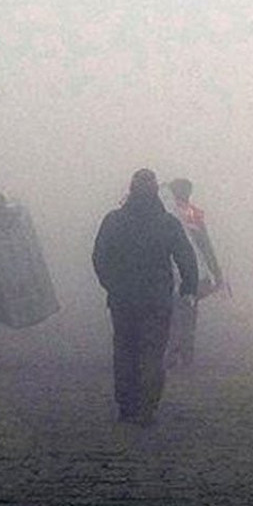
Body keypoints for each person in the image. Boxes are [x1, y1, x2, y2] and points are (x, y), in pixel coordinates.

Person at [92, 169, 198, 425]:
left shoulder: (114, 220)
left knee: (125, 350)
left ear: (130, 190)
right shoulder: (168, 223)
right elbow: (186, 257)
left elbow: (99, 257)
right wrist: (188, 287)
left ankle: (126, 405)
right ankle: (147, 407)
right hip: (157, 299)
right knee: (152, 352)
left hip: (123, 299)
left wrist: (111, 285)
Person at [164, 177, 227, 368]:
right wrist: (216, 272)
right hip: (195, 272)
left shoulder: (165, 213)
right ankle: (186, 354)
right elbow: (205, 245)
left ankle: (173, 352)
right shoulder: (193, 214)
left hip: (171, 271)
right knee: (189, 313)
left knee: (173, 313)